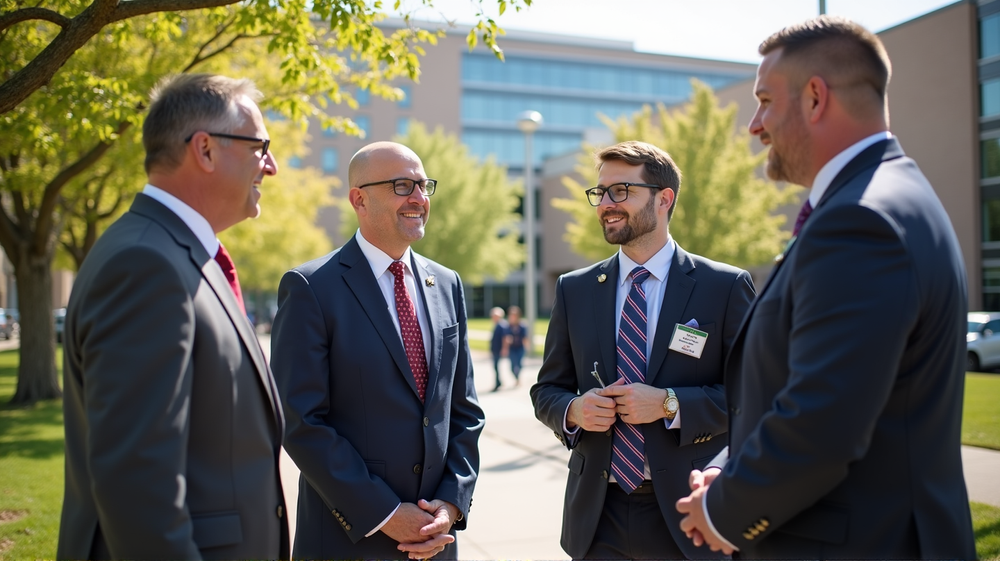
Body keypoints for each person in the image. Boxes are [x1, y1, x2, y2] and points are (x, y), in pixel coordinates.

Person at [675, 16, 976, 559]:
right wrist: (727, 467)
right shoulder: (887, 198)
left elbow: (823, 420)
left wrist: (723, 511)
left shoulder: (860, 222)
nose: (754, 125)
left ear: (815, 98)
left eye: (765, 100)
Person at [57, 74, 287, 559]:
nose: (272, 166)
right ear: (204, 150)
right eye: (260, 146)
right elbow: (138, 487)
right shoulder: (144, 265)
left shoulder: (173, 255)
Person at [530, 140, 755, 560]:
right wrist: (574, 411)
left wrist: (670, 404)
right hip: (597, 516)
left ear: (664, 199)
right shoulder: (575, 289)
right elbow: (547, 390)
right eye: (600, 193)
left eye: (622, 191)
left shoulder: (724, 287)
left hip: (690, 511)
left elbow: (752, 399)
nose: (606, 204)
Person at [271, 141, 484, 560]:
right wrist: (384, 513)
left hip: (436, 539)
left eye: (424, 186)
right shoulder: (311, 287)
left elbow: (463, 410)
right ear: (359, 199)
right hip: (349, 540)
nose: (419, 199)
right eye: (403, 185)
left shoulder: (447, 283)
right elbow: (300, 422)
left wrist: (451, 501)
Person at [504, 305, 530, 387]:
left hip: (520, 347)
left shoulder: (522, 326)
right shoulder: (508, 326)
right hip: (512, 348)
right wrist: (505, 347)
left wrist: (527, 347)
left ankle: (518, 378)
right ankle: (516, 377)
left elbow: (525, 337)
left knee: (519, 364)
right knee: (512, 366)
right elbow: (505, 337)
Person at [489, 306, 509, 391]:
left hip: (499, 349)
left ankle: (498, 383)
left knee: (497, 367)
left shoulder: (502, 325)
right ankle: (498, 382)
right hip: (495, 349)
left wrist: (504, 348)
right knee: (495, 367)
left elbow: (506, 338)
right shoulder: (497, 325)